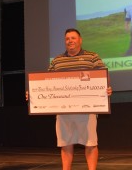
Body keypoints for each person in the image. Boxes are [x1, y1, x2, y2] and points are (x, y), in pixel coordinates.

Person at [26, 28, 112, 170]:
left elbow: (103, 77)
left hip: (87, 109)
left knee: (90, 143)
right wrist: (33, 94)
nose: (70, 41)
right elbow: (46, 82)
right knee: (65, 143)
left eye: (73, 38)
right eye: (67, 39)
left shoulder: (92, 57)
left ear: (80, 40)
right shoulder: (57, 61)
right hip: (63, 111)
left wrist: (106, 88)